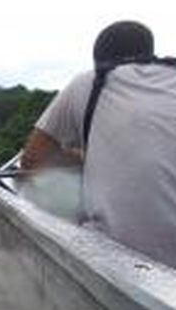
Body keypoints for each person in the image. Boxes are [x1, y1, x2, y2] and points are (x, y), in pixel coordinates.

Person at [21, 20, 176, 268]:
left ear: (100, 59)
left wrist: (81, 162)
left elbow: (31, 162)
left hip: (119, 262)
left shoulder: (89, 82)